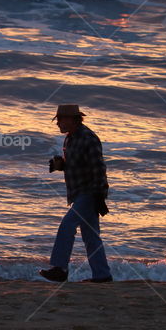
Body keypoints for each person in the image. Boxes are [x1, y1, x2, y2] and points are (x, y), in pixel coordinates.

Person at [40, 104, 113, 283]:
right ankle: (102, 275)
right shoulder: (70, 138)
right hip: (80, 193)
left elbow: (98, 168)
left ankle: (60, 269)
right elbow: (77, 164)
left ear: (73, 119)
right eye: (57, 120)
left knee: (67, 226)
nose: (57, 123)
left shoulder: (88, 137)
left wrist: (98, 197)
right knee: (91, 237)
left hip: (89, 193)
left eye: (60, 119)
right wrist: (61, 165)